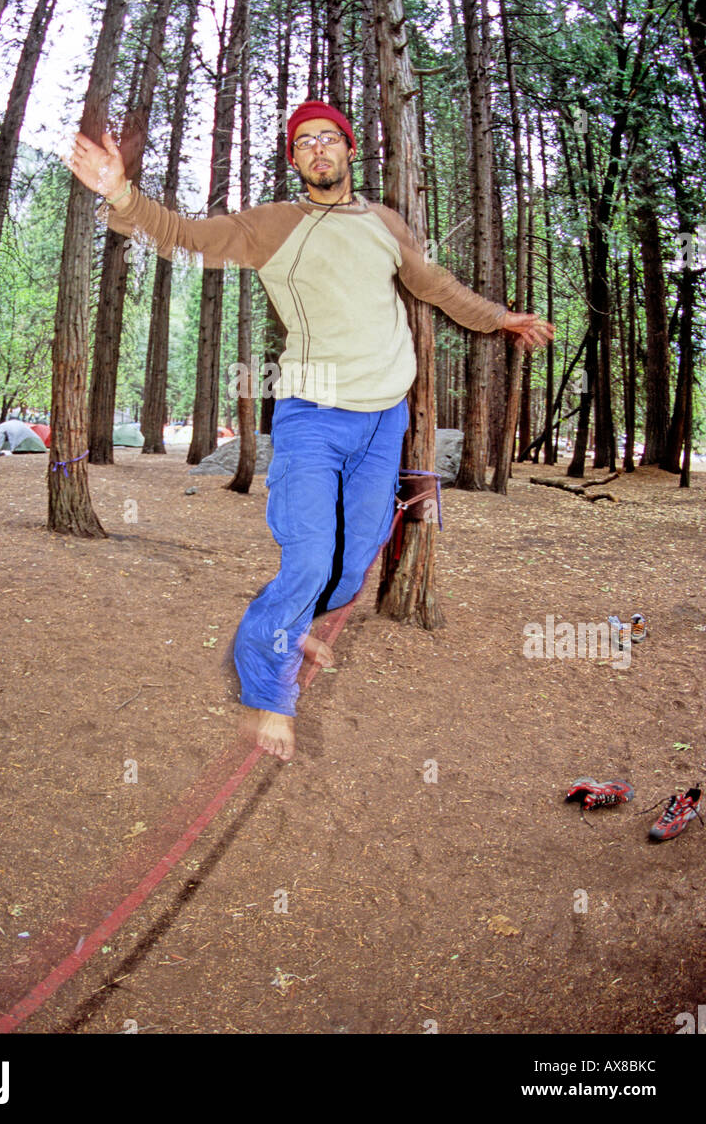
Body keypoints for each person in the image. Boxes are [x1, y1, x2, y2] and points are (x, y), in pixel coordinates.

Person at [64, 99, 554, 761]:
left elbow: (435, 285)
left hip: (385, 420)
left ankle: (295, 628)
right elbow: (186, 236)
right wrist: (121, 194)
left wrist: (502, 319)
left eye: (329, 139)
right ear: (294, 159)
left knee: (351, 569)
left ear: (349, 150)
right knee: (309, 556)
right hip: (312, 417)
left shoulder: (383, 223)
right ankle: (267, 689)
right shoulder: (273, 226)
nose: (319, 150)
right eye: (304, 143)